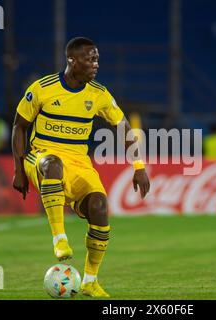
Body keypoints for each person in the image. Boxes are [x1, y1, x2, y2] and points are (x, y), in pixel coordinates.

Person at [11, 37, 150, 298]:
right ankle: (59, 238)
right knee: (53, 165)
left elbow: (124, 129)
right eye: (90, 59)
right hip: (41, 156)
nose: (95, 64)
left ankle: (90, 280)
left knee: (99, 206)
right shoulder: (43, 88)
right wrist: (19, 169)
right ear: (72, 61)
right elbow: (19, 126)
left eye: (97, 59)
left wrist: (139, 166)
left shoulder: (98, 94)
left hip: (79, 162)